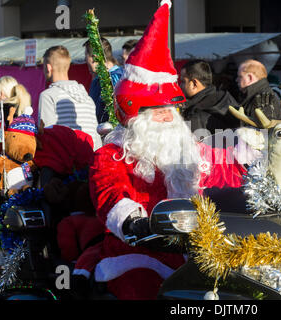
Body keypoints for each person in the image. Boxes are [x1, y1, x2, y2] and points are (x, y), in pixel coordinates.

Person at [87, 1, 246, 300]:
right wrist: (134, 222)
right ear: (134, 112)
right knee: (142, 286)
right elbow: (110, 194)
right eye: (156, 109)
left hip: (194, 252)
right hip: (136, 253)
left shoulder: (187, 148)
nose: (166, 115)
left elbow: (222, 170)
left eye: (170, 108)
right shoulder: (112, 155)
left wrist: (260, 162)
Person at [38, 45, 102, 150]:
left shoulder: (48, 96)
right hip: (91, 157)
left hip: (67, 161)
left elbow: (47, 135)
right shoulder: (87, 98)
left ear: (49, 68)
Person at [179, 59, 240, 135]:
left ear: (194, 84)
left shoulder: (196, 116)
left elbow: (191, 145)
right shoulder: (226, 100)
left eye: (183, 81)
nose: (180, 86)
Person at [83, 37, 123, 123]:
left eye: (86, 57)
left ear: (95, 57)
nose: (85, 61)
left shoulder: (118, 78)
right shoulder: (96, 81)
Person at [235, 59, 281, 125]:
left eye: (240, 76)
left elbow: (265, 129)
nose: (236, 80)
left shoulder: (264, 98)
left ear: (250, 77)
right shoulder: (255, 95)